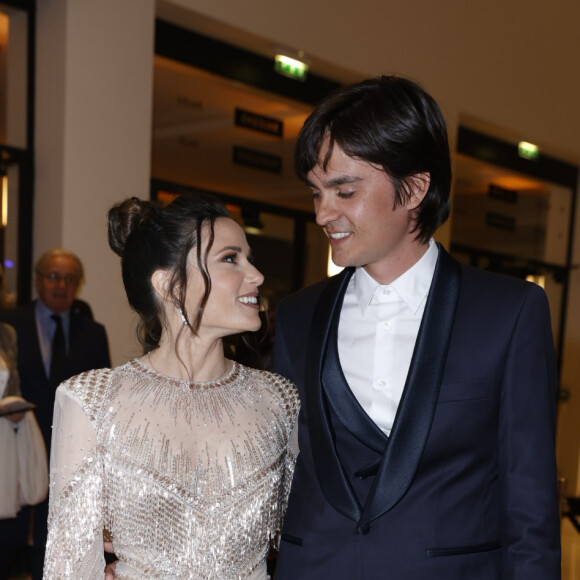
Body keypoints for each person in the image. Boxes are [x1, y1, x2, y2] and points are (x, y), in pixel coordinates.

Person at [272, 75, 560, 579]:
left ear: (415, 188)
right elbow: (277, 472)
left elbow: (530, 508)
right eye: (317, 192)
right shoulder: (296, 316)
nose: (323, 213)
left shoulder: (509, 312)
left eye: (345, 190)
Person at [43, 193, 299, 579]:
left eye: (248, 257)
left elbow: (303, 535)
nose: (257, 275)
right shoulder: (92, 401)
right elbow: (69, 567)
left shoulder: (279, 400)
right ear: (170, 285)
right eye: (231, 258)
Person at [0, 248, 111, 579]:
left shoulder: (92, 331)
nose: (61, 284)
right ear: (37, 280)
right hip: (18, 442)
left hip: (71, 448)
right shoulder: (9, 324)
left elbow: (101, 396)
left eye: (69, 278)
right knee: (11, 532)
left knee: (56, 537)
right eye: (53, 276)